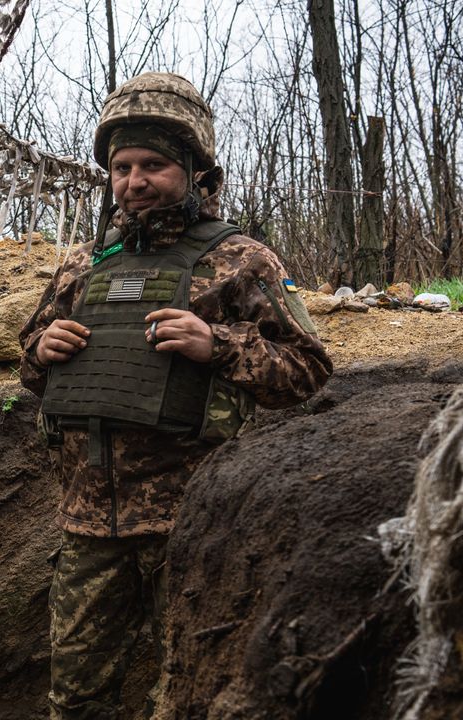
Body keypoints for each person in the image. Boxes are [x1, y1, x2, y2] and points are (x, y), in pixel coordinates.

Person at [17, 72, 333, 719]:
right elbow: (30, 363)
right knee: (76, 700)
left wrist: (216, 343)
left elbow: (309, 369)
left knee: (193, 693)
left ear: (193, 170)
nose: (134, 182)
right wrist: (40, 350)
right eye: (121, 167)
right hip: (88, 526)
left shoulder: (242, 261)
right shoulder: (83, 264)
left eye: (153, 165)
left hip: (192, 528)